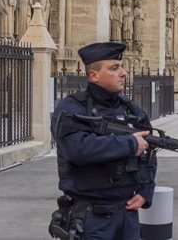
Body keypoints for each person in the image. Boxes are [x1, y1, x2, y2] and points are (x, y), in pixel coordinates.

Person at [50, 42, 156, 239]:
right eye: (114, 68)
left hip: (127, 214)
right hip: (91, 218)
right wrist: (130, 144)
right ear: (93, 76)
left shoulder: (131, 110)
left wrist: (146, 191)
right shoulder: (72, 108)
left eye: (122, 67)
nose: (123, 73)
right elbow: (77, 149)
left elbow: (148, 151)